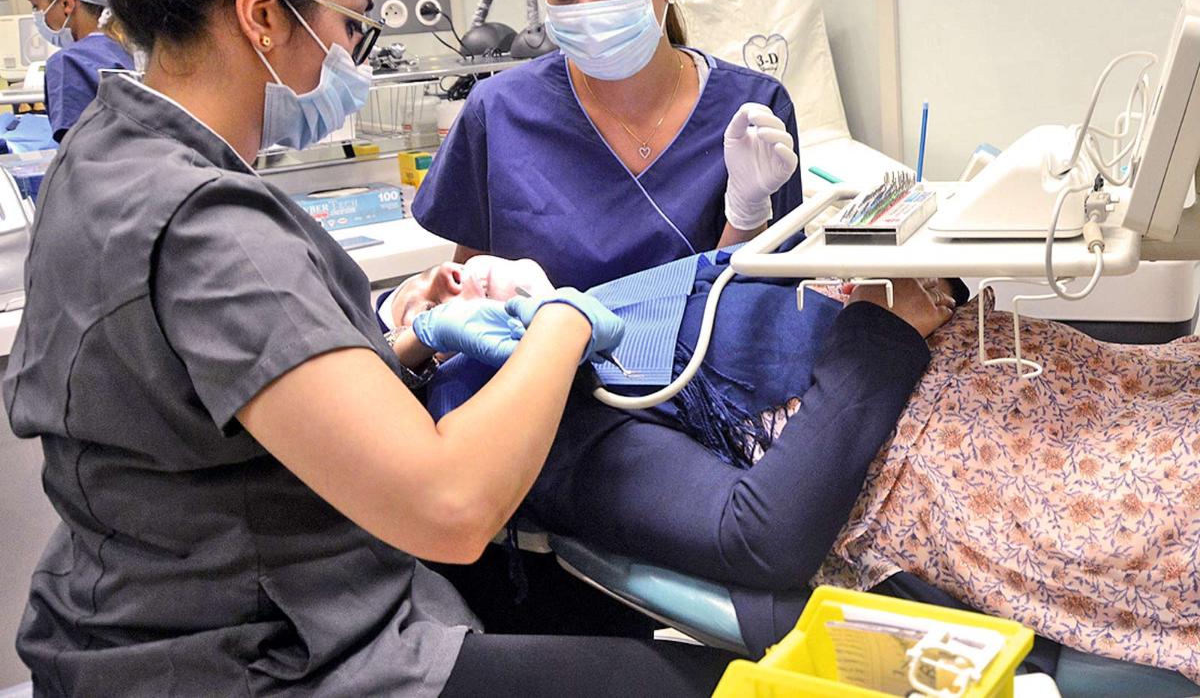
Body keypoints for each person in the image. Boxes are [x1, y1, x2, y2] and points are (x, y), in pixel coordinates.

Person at [0, 0, 773, 698]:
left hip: (125, 620)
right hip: (263, 655)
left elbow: (215, 395)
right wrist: (562, 321)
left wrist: (397, 342)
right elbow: (449, 510)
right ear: (261, 13)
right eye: (350, 23)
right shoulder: (211, 228)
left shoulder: (101, 155)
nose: (354, 55)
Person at [404, 254, 1200, 686]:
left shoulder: (617, 308)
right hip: (1009, 472)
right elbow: (759, 536)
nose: (448, 276)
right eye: (415, 314)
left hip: (1050, 374)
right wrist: (884, 330)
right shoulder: (551, 423)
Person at [413, 0, 804, 290]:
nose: (588, 10)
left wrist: (746, 217)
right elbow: (467, 295)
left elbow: (766, 309)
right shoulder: (500, 112)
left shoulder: (751, 111)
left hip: (700, 361)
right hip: (546, 360)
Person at [22, 0, 133, 141]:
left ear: (65, 2)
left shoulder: (69, 64)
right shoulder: (136, 45)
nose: (37, 15)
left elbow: (78, 161)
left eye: (36, 5)